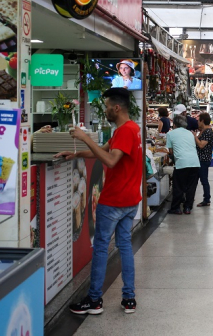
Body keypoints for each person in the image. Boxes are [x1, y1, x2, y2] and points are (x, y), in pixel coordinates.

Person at [57, 88, 143, 315]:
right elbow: (103, 150)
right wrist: (77, 154)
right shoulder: (130, 129)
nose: (104, 110)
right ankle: (129, 299)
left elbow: (111, 161)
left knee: (101, 248)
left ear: (117, 108)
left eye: (106, 106)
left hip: (114, 200)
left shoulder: (124, 131)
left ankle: (94, 300)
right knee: (125, 246)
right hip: (130, 199)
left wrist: (85, 137)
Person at [166, 114, 201, 214]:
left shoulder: (170, 134)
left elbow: (171, 151)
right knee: (191, 187)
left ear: (174, 124)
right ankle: (187, 208)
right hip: (194, 162)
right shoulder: (190, 133)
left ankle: (176, 208)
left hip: (181, 163)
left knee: (178, 186)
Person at [194, 112, 213, 207]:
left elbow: (201, 145)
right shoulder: (204, 131)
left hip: (203, 159)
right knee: (197, 179)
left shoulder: (208, 131)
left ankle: (207, 199)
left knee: (204, 180)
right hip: (200, 159)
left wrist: (194, 136)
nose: (197, 122)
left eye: (199, 120)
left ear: (202, 121)